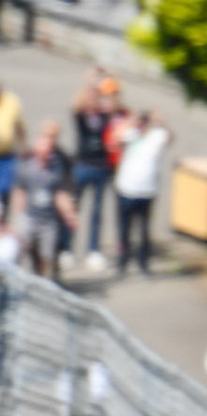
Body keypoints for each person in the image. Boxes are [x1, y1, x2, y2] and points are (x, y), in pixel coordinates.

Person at [13, 120, 75, 280]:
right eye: (47, 136)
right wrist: (19, 216)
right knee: (24, 248)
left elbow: (63, 190)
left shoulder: (61, 160)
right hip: (32, 215)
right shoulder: (27, 163)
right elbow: (20, 190)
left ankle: (48, 279)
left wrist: (69, 212)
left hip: (51, 217)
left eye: (53, 136)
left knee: (49, 253)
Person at [112, 108, 165, 276]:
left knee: (143, 231)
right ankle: (122, 263)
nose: (142, 125)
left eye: (144, 122)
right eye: (140, 122)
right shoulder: (131, 134)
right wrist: (131, 122)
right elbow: (114, 139)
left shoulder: (157, 136)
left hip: (146, 191)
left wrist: (159, 121)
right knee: (123, 229)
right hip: (126, 189)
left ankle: (143, 264)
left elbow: (170, 137)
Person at [69, 79, 113, 269]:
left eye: (97, 96)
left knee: (96, 211)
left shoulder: (104, 117)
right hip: (82, 165)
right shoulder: (81, 116)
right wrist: (90, 79)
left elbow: (113, 104)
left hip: (100, 167)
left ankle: (93, 250)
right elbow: (75, 104)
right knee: (73, 207)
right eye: (91, 96)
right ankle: (67, 248)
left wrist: (107, 81)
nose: (93, 99)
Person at [0, 76, 18, 223]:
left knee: (5, 192)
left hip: (7, 156)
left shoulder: (11, 102)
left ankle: (3, 226)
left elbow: (20, 127)